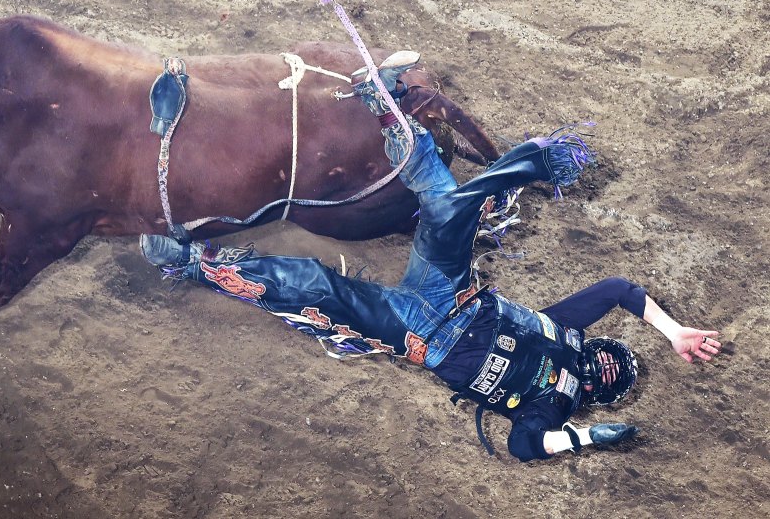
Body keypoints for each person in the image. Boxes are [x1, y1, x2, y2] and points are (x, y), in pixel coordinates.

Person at [140, 63, 721, 461]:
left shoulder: (553, 407)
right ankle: (388, 110)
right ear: (600, 353)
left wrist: (587, 437)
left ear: (598, 391)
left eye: (610, 376)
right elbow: (620, 288)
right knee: (447, 209)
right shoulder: (568, 331)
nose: (606, 369)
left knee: (316, 289)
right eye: (612, 362)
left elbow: (524, 449)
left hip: (421, 335)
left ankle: (195, 263)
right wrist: (673, 332)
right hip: (455, 295)